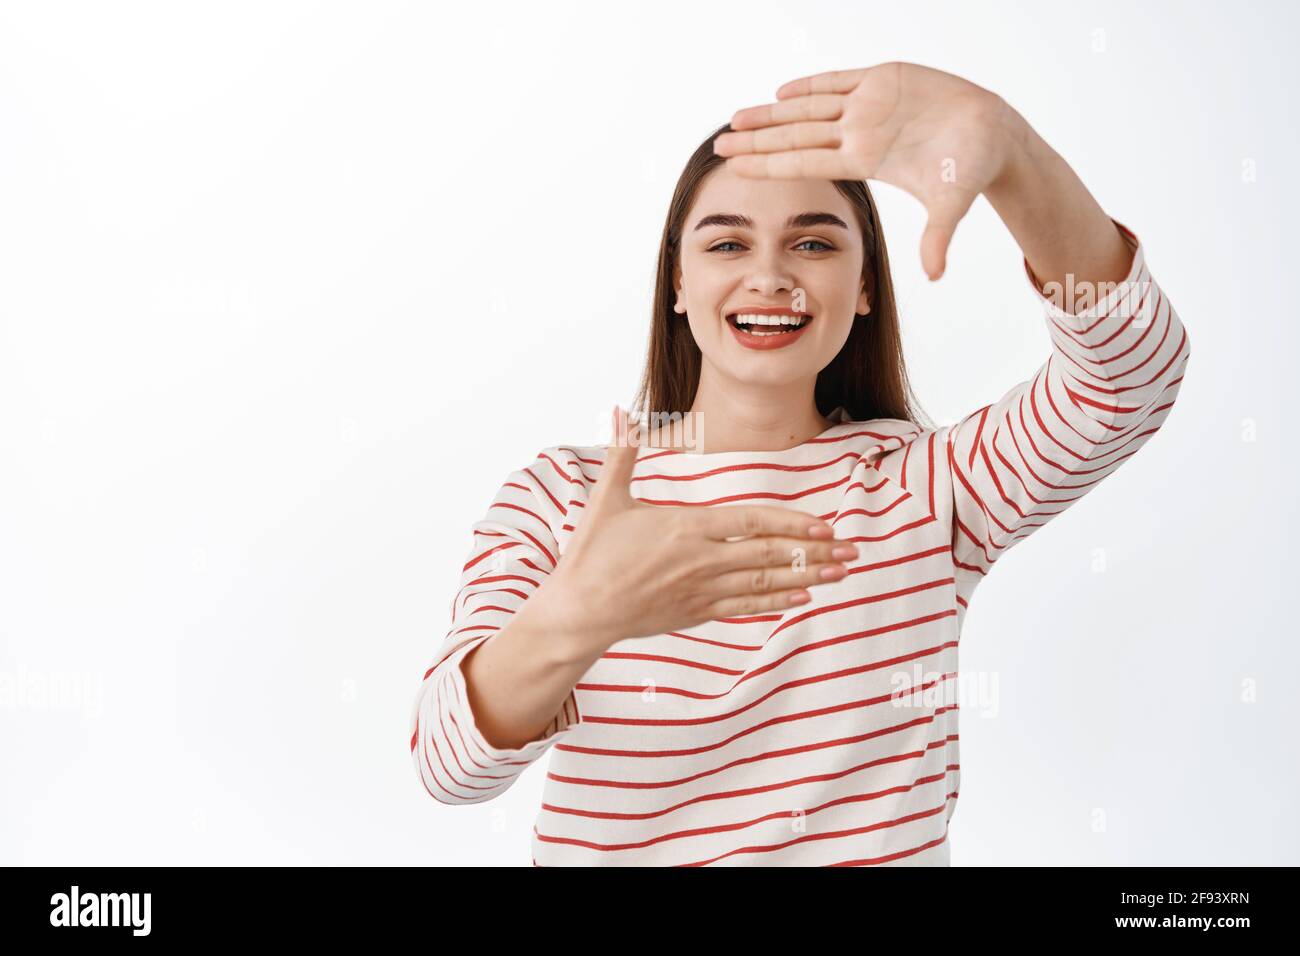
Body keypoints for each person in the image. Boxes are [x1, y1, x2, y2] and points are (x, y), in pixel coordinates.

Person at [409, 62, 1190, 866]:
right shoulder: (563, 497)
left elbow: (1131, 377)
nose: (771, 274)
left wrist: (1015, 156)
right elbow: (445, 766)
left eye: (813, 242)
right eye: (727, 242)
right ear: (680, 282)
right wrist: (579, 615)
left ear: (862, 286)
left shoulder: (929, 488)